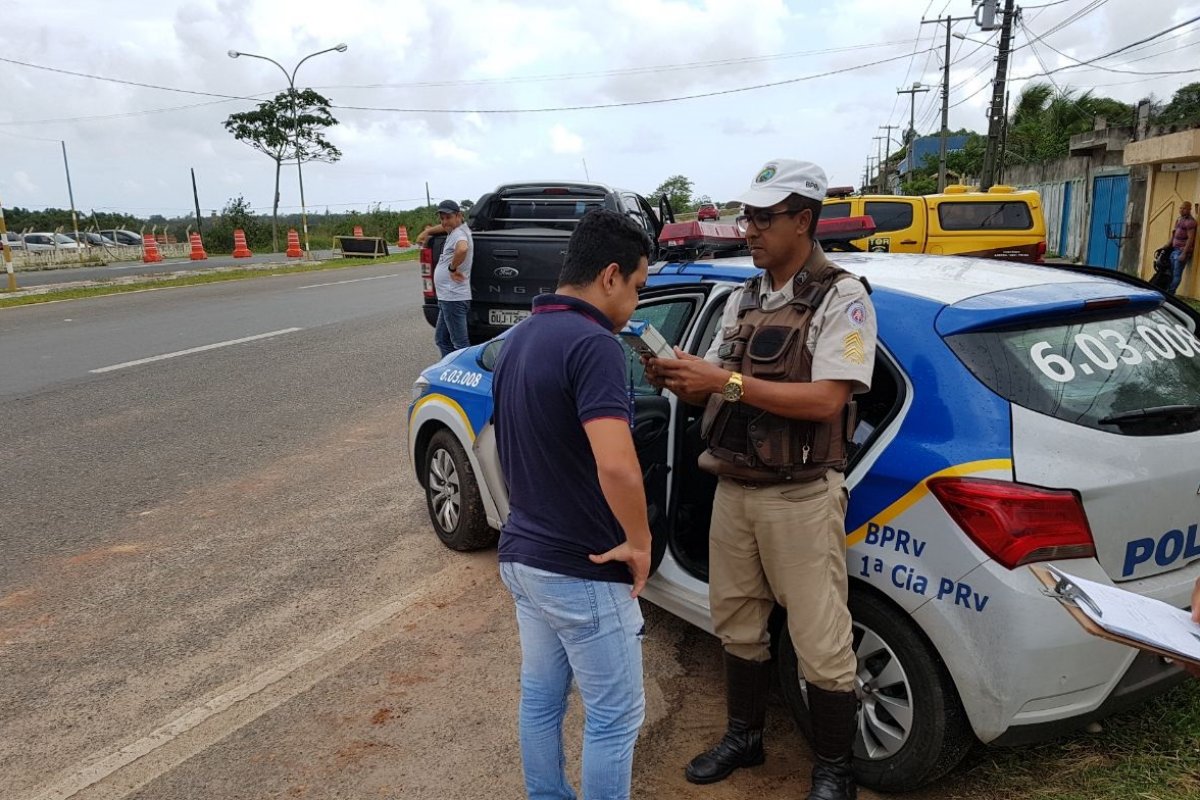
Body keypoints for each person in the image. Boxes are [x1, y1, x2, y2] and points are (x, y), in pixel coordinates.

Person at [647, 159, 877, 800]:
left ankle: (835, 770)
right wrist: (683, 376)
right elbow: (721, 385)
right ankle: (744, 737)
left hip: (800, 495)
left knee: (820, 636)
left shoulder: (843, 297)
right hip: (736, 489)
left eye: (763, 218)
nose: (747, 229)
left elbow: (829, 400)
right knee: (737, 622)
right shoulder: (743, 298)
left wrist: (725, 382)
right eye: (746, 216)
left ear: (804, 221)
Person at [493, 208, 654, 800]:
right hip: (582, 568)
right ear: (610, 276)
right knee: (614, 718)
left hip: (524, 557)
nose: (636, 303)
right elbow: (616, 462)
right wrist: (640, 543)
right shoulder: (596, 346)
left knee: (541, 701)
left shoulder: (518, 339)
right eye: (638, 288)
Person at [417, 199, 473, 356]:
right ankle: (448, 370)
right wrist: (427, 232)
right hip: (447, 298)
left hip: (453, 297)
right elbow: (443, 227)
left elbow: (462, 249)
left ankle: (463, 375)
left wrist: (452, 268)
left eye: (448, 217)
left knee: (460, 344)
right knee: (442, 339)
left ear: (459, 216)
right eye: (442, 218)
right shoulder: (456, 231)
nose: (444, 221)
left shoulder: (459, 234)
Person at [1168, 200, 1195, 296]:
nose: (1181, 210)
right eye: (1180, 208)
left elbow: (1190, 239)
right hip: (1174, 250)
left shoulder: (1190, 222)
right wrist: (1166, 246)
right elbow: (1174, 234)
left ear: (1189, 209)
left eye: (1184, 208)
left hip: (1181, 251)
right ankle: (1169, 291)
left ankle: (1171, 293)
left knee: (1176, 274)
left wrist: (1184, 253)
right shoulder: (1179, 219)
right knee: (1170, 272)